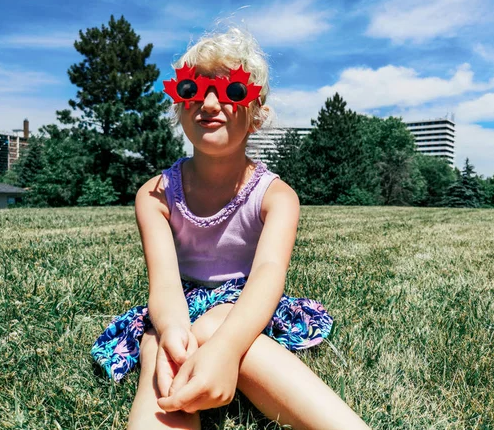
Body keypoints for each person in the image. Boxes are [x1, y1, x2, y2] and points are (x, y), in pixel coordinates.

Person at [91, 28, 370, 430]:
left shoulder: (277, 197)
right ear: (178, 105)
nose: (208, 103)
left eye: (231, 92)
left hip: (247, 310)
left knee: (220, 326)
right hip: (180, 308)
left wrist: (224, 348)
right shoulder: (154, 195)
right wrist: (173, 330)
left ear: (256, 115)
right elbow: (165, 284)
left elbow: (267, 277)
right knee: (160, 346)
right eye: (192, 89)